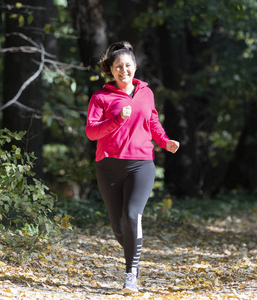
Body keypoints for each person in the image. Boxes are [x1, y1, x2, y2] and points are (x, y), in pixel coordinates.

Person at [85, 41, 180, 293]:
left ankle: (130, 275)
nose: (123, 70)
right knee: (118, 227)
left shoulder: (146, 93)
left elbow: (152, 121)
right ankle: (133, 258)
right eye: (118, 66)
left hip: (141, 163)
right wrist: (117, 119)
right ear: (111, 70)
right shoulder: (101, 97)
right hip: (108, 165)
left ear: (135, 67)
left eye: (128, 65)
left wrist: (165, 141)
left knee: (131, 216)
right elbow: (91, 132)